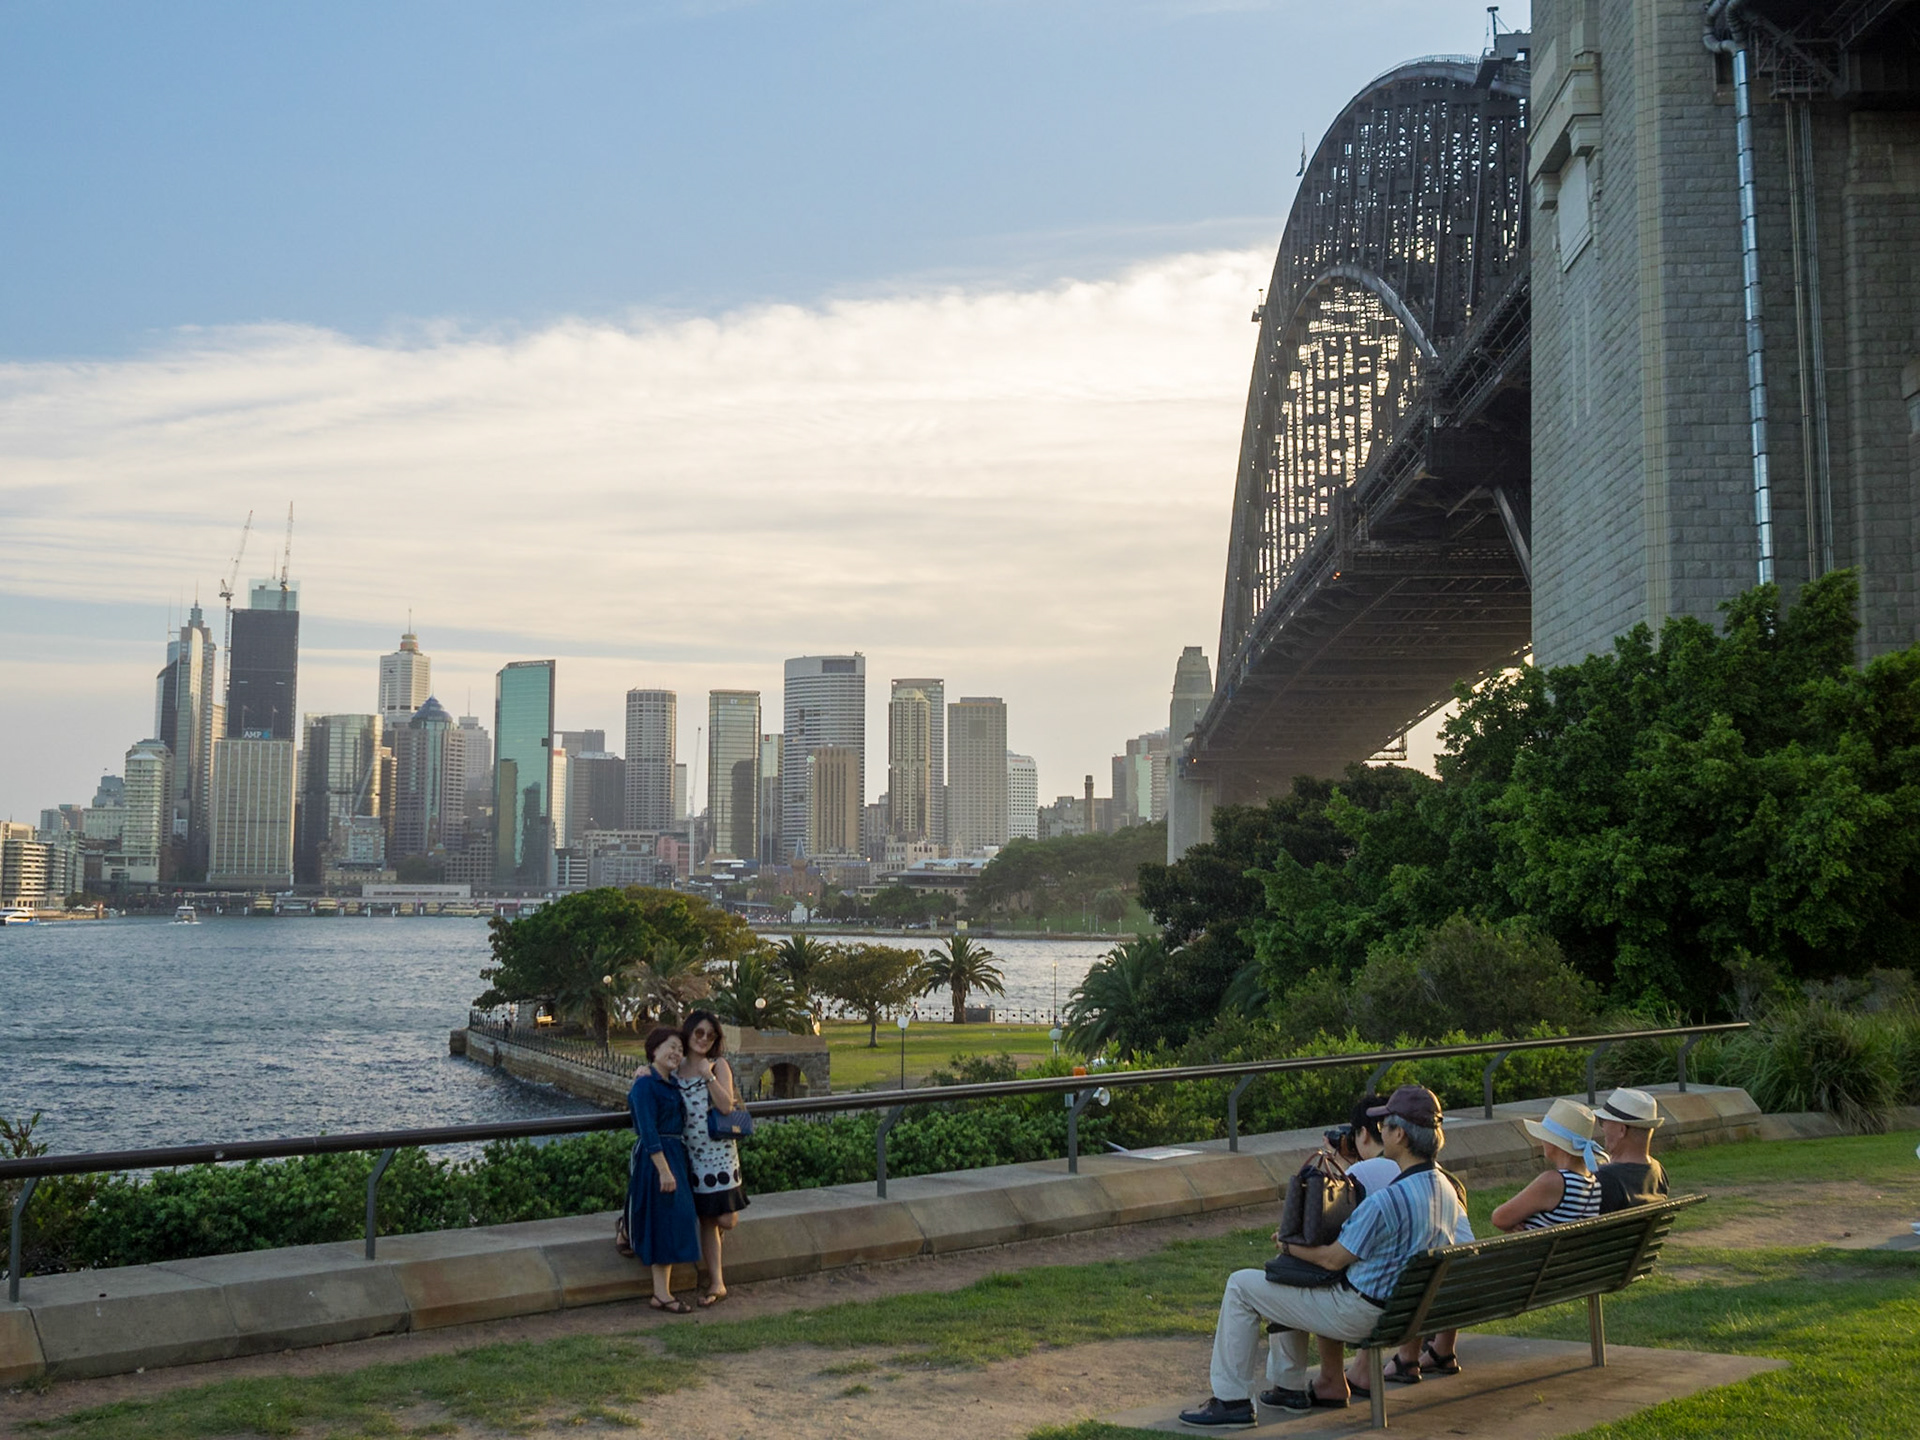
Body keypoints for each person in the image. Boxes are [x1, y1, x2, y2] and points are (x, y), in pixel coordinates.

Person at [1180, 1085, 1464, 1429]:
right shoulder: (1446, 1189)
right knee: (1285, 1279)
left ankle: (1232, 1400)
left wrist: (1287, 1245)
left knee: (1241, 1285)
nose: (1380, 1132)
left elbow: (1332, 1259)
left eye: (1385, 1126)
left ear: (1400, 1135)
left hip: (1361, 1313)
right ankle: (1288, 1389)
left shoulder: (1386, 1201)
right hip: (1407, 1314)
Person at [626, 1026, 702, 1314]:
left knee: (674, 1218)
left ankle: (662, 1291)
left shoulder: (672, 1083)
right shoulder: (645, 1085)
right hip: (657, 1158)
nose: (676, 1053)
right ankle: (661, 1293)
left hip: (675, 1154)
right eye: (671, 1047)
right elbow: (647, 1129)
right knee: (664, 1219)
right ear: (654, 1050)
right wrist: (664, 1170)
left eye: (680, 1050)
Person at [678, 1009, 750, 1305]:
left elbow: (725, 1105)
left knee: (726, 1219)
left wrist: (707, 1075)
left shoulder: (719, 1066)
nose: (704, 1039)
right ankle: (716, 1283)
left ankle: (716, 1271)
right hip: (691, 1155)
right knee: (707, 1219)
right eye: (699, 1032)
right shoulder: (677, 1067)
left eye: (710, 1034)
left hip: (720, 1156)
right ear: (688, 1033)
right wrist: (643, 1071)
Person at [1492, 1097, 1604, 1233]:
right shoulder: (1594, 1183)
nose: (1542, 1140)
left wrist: (1519, 1223)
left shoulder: (1553, 1182)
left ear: (1555, 1144)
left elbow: (1499, 1218)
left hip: (1541, 1253)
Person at [1594, 1088, 1669, 1212]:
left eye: (1603, 1121)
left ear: (1621, 1130)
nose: (1602, 1128)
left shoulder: (1605, 1178)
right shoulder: (1658, 1172)